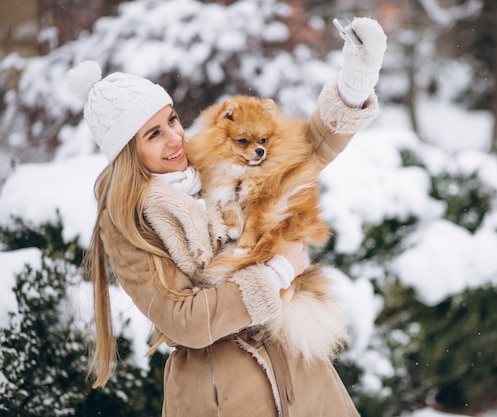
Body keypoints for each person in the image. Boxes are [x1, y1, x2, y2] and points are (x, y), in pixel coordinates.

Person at [72, 17, 387, 417]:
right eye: (153, 134)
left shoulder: (210, 160)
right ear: (126, 153)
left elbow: (297, 155)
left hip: (299, 376)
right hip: (220, 393)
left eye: (171, 119)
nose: (175, 138)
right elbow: (184, 320)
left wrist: (353, 86)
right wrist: (275, 273)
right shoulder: (129, 222)